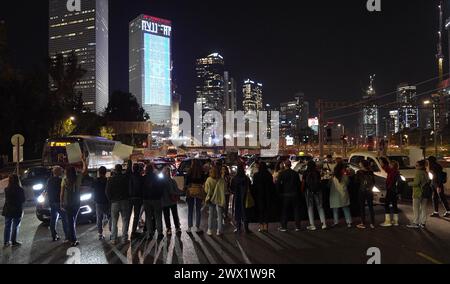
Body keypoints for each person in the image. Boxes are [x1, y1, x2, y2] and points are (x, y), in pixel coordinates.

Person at [60, 155, 88, 247]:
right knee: (73, 221)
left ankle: (71, 238)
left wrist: (61, 203)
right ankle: (72, 239)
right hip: (76, 203)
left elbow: (62, 193)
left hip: (67, 204)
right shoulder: (78, 178)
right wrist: (84, 161)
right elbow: (85, 171)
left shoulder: (64, 180)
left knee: (70, 221)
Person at [106, 164, 131, 245]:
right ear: (121, 170)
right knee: (125, 221)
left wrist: (111, 200)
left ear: (115, 170)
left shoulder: (110, 179)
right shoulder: (125, 178)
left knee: (114, 221)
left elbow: (107, 192)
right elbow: (129, 170)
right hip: (124, 201)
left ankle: (113, 239)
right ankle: (124, 239)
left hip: (114, 202)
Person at [276, 160, 302, 232]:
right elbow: (298, 184)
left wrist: (279, 193)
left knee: (285, 211)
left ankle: (284, 227)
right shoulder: (295, 173)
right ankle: (297, 226)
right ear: (290, 165)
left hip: (285, 195)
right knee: (296, 210)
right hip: (295, 194)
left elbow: (278, 184)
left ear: (285, 165)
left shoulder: (282, 173)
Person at [302, 160, 327, 231]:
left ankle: (312, 225)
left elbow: (303, 183)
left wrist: (302, 190)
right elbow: (319, 181)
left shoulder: (305, 172)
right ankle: (323, 223)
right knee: (320, 207)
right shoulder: (317, 172)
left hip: (308, 191)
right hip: (318, 191)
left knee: (310, 207)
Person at [2, 175, 25, 247]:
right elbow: (23, 200)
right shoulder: (20, 189)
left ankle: (6, 242)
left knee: (7, 226)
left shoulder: (6, 189)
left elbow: (7, 200)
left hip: (8, 209)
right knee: (15, 226)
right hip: (17, 210)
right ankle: (13, 241)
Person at [46, 166, 68, 242]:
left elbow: (48, 191)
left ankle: (54, 235)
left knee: (53, 219)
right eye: (61, 171)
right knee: (65, 219)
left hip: (52, 202)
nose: (62, 172)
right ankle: (67, 236)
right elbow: (63, 192)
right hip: (59, 202)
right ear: (59, 172)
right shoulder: (61, 180)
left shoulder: (49, 180)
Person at [143, 166, 165, 240]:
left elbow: (141, 188)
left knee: (148, 217)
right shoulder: (157, 177)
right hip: (156, 199)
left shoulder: (144, 178)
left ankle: (150, 233)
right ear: (152, 170)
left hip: (146, 199)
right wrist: (160, 195)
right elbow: (162, 187)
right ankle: (160, 233)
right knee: (158, 216)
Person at [253, 162, 276, 232]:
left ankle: (261, 226)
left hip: (259, 196)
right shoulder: (269, 175)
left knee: (260, 211)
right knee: (266, 211)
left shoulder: (256, 175)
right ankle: (266, 226)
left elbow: (254, 186)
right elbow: (272, 186)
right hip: (267, 195)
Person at [185, 159, 206, 234]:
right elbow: (203, 181)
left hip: (190, 191)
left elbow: (186, 182)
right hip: (199, 191)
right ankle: (198, 227)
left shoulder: (189, 171)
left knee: (190, 210)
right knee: (198, 210)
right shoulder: (201, 172)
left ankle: (189, 228)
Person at [407, 160, 430, 229]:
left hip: (418, 192)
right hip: (425, 193)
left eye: (417, 165)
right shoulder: (425, 172)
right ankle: (423, 223)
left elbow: (416, 183)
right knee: (423, 208)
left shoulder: (418, 173)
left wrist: (409, 183)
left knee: (416, 209)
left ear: (421, 166)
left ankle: (416, 223)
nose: (415, 166)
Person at [161, 166, 183, 236]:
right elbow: (176, 190)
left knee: (166, 215)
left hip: (164, 201)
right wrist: (182, 192)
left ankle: (169, 229)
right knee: (174, 214)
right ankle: (177, 228)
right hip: (172, 201)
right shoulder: (172, 181)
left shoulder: (160, 181)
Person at [329, 162, 352, 228]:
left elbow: (329, 184)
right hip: (343, 193)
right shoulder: (344, 176)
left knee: (335, 209)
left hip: (335, 194)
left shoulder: (333, 176)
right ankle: (349, 222)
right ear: (342, 169)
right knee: (345, 208)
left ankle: (336, 222)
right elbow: (348, 183)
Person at [231, 165, 252, 234]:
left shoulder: (234, 178)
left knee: (238, 213)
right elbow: (250, 187)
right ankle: (246, 229)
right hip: (245, 198)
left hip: (237, 198)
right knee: (245, 213)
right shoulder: (246, 178)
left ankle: (238, 228)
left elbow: (232, 188)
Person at [355, 160, 376, 229]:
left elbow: (357, 182)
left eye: (360, 163)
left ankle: (363, 223)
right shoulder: (371, 172)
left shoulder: (359, 172)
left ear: (362, 164)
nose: (359, 164)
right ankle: (372, 223)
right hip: (369, 191)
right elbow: (373, 182)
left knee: (362, 207)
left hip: (362, 191)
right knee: (371, 207)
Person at [380, 159, 400, 227]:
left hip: (390, 189)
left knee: (386, 204)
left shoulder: (391, 171)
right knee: (394, 205)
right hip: (395, 190)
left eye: (390, 165)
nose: (389, 165)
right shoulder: (397, 172)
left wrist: (383, 162)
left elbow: (384, 168)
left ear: (392, 166)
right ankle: (395, 221)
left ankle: (387, 221)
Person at [94, 166, 110, 240]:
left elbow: (92, 188)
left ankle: (100, 234)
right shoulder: (108, 181)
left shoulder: (95, 181)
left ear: (99, 172)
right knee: (110, 217)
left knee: (99, 219)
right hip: (107, 202)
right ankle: (112, 232)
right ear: (105, 172)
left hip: (98, 202)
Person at [129, 163, 144, 238]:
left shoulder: (130, 177)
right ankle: (133, 232)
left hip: (130, 198)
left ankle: (125, 232)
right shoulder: (140, 177)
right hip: (138, 198)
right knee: (136, 216)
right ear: (138, 169)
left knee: (127, 216)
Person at [205, 167, 220, 236]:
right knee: (219, 215)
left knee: (211, 215)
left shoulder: (208, 180)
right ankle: (218, 230)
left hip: (211, 199)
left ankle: (210, 230)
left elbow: (206, 190)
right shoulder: (219, 179)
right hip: (218, 198)